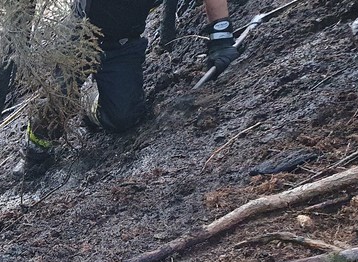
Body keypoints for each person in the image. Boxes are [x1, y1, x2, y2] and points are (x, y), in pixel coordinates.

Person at [25, 0, 239, 157]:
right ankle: (34, 148)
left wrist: (221, 35)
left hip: (122, 44)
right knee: (58, 100)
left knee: (123, 117)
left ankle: (91, 101)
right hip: (78, 36)